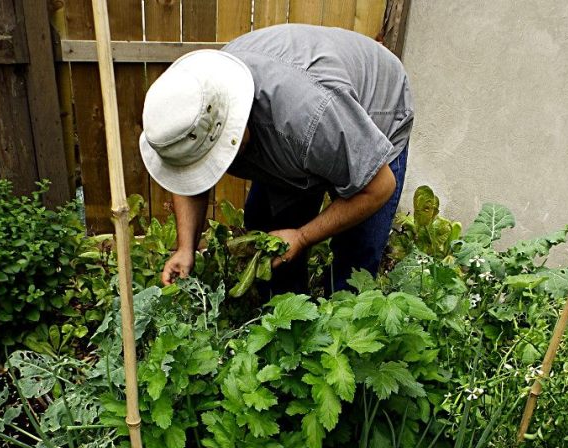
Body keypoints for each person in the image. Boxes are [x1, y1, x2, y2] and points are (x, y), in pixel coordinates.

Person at [139, 23, 413, 294]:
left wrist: (303, 236)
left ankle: (344, 321)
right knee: (268, 231)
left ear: (232, 129)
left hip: (378, 106)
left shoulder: (309, 120)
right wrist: (186, 248)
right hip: (310, 118)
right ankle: (290, 317)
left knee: (356, 258)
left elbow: (378, 188)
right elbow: (189, 173)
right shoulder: (199, 100)